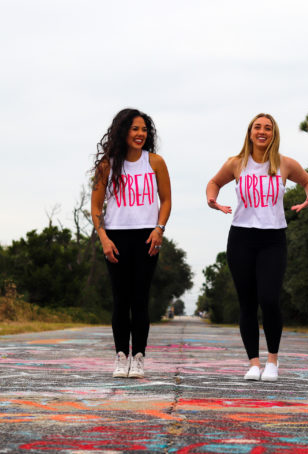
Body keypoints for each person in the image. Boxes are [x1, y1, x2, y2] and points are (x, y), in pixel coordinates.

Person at [206, 113, 308, 382]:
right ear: (250, 132)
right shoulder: (236, 164)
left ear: (273, 134)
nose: (262, 131)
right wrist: (214, 201)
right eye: (258, 127)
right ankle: (253, 363)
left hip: (273, 239)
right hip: (241, 238)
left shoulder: (284, 164)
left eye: (268, 128)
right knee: (247, 302)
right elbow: (214, 183)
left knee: (269, 299)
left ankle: (272, 362)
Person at [91, 108, 171, 379]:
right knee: (120, 299)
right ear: (123, 131)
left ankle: (138, 357)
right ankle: (120, 357)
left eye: (144, 130)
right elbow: (95, 207)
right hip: (116, 237)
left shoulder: (156, 162)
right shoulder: (108, 165)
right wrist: (104, 238)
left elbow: (166, 200)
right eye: (134, 129)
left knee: (140, 299)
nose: (140, 134)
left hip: (147, 237)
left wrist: (159, 229)